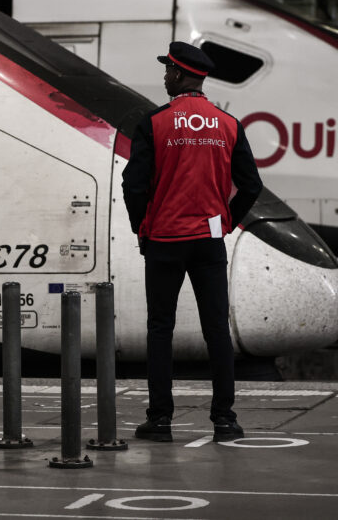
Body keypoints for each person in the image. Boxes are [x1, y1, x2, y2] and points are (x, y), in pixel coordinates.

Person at [121, 41, 263, 444]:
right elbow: (251, 185)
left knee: (160, 329)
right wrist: (226, 222)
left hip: (165, 240)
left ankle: (160, 420)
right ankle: (225, 420)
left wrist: (142, 227)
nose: (165, 76)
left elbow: (133, 185)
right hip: (209, 241)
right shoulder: (228, 124)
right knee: (217, 329)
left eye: (168, 70)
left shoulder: (155, 123)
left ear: (180, 74)